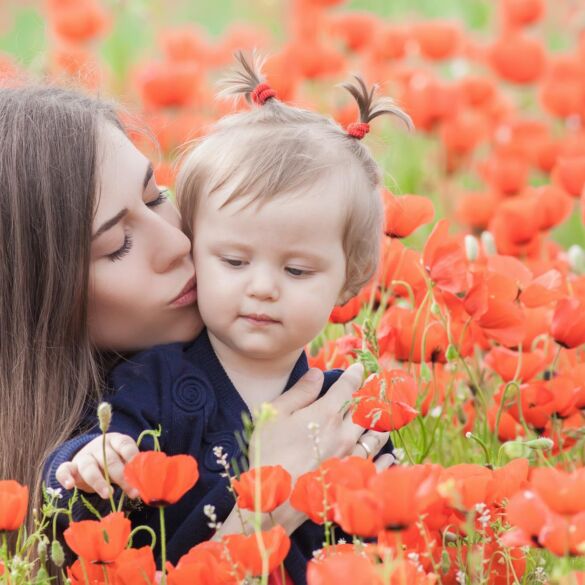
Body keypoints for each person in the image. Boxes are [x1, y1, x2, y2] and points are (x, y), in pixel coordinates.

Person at [45, 54, 410, 582]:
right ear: (198, 243)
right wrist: (88, 461)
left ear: (349, 280)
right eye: (234, 262)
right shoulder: (155, 381)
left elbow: (384, 542)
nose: (262, 286)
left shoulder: (347, 410)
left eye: (298, 269)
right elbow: (77, 489)